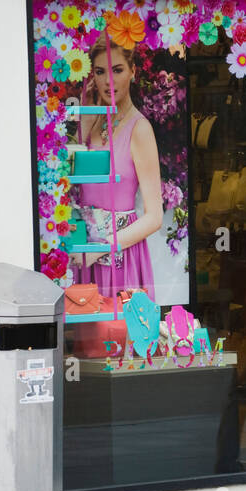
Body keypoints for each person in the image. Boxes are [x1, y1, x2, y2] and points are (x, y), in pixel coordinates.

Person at [73, 36, 165, 298]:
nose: (108, 81)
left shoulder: (140, 129)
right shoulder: (93, 123)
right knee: (87, 336)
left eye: (117, 70)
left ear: (133, 71)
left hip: (119, 259)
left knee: (116, 335)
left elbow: (154, 217)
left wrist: (101, 248)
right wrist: (87, 112)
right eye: (101, 72)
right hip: (85, 259)